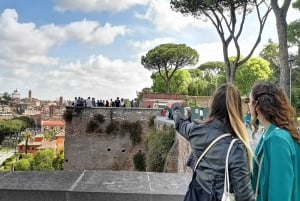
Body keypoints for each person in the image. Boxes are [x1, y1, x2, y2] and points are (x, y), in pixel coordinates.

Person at [172, 83, 255, 201]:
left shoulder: (196, 129)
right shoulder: (236, 148)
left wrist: (175, 109)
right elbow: (244, 196)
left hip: (195, 194)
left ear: (214, 105)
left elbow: (180, 124)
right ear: (237, 109)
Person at [249, 81, 300, 201]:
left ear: (257, 105)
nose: (248, 105)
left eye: (249, 101)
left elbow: (280, 193)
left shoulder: (278, 138)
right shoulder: (273, 133)